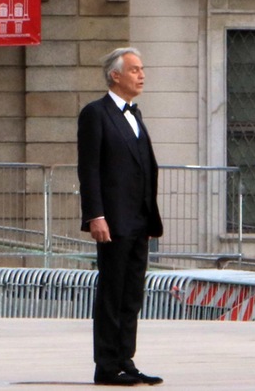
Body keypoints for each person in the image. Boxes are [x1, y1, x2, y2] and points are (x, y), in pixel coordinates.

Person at [78, 47, 164, 386]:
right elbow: (89, 169)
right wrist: (95, 214)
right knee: (112, 292)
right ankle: (106, 365)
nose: (141, 75)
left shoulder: (136, 115)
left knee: (132, 293)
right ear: (115, 75)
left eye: (142, 69)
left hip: (139, 220)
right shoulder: (95, 114)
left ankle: (125, 358)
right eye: (134, 70)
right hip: (112, 220)